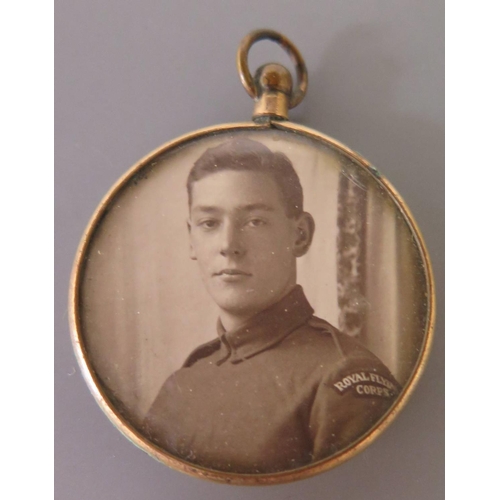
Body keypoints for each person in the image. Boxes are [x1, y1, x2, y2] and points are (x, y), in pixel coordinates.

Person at [143, 138, 400, 474]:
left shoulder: (342, 378)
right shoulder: (183, 382)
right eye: (209, 223)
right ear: (191, 239)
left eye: (255, 221)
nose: (228, 246)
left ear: (299, 235)